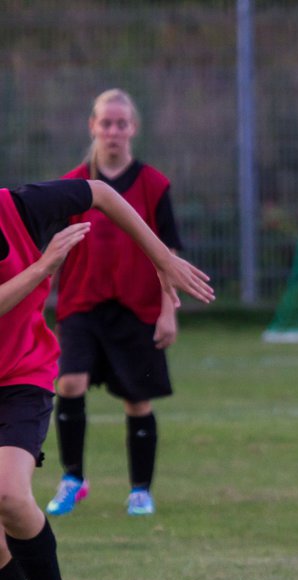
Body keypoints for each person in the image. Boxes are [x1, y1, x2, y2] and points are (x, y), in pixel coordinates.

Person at [0, 177, 213, 580]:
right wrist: (44, 266)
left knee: (7, 493)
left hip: (20, 378)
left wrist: (162, 259)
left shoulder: (19, 206)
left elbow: (100, 192)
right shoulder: (35, 247)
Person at [46, 89, 186, 518]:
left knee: (136, 398)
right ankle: (73, 478)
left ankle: (140, 490)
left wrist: (167, 312)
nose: (113, 131)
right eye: (105, 123)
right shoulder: (72, 185)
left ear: (133, 130)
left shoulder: (153, 184)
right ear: (92, 126)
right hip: (81, 304)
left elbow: (170, 254)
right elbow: (50, 253)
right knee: (68, 382)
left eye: (121, 124)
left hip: (136, 306)